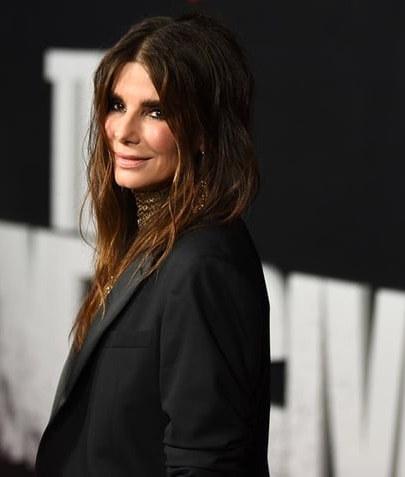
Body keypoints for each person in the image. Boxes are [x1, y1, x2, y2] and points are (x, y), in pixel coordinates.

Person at [34, 11, 270, 476]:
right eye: (118, 105)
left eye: (155, 111)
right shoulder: (151, 240)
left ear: (203, 132)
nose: (123, 131)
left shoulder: (202, 264)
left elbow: (204, 466)